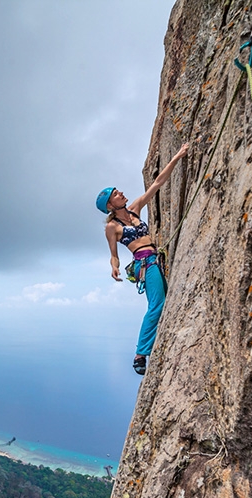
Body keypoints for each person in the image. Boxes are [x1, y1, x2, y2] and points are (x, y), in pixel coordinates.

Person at [96, 143, 189, 375]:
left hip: (156, 259)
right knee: (157, 305)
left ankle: (148, 345)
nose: (122, 194)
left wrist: (177, 155)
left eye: (119, 191)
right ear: (110, 205)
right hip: (145, 263)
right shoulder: (112, 227)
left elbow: (157, 183)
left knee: (164, 303)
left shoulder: (135, 209)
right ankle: (140, 353)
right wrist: (114, 268)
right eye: (116, 194)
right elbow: (113, 255)